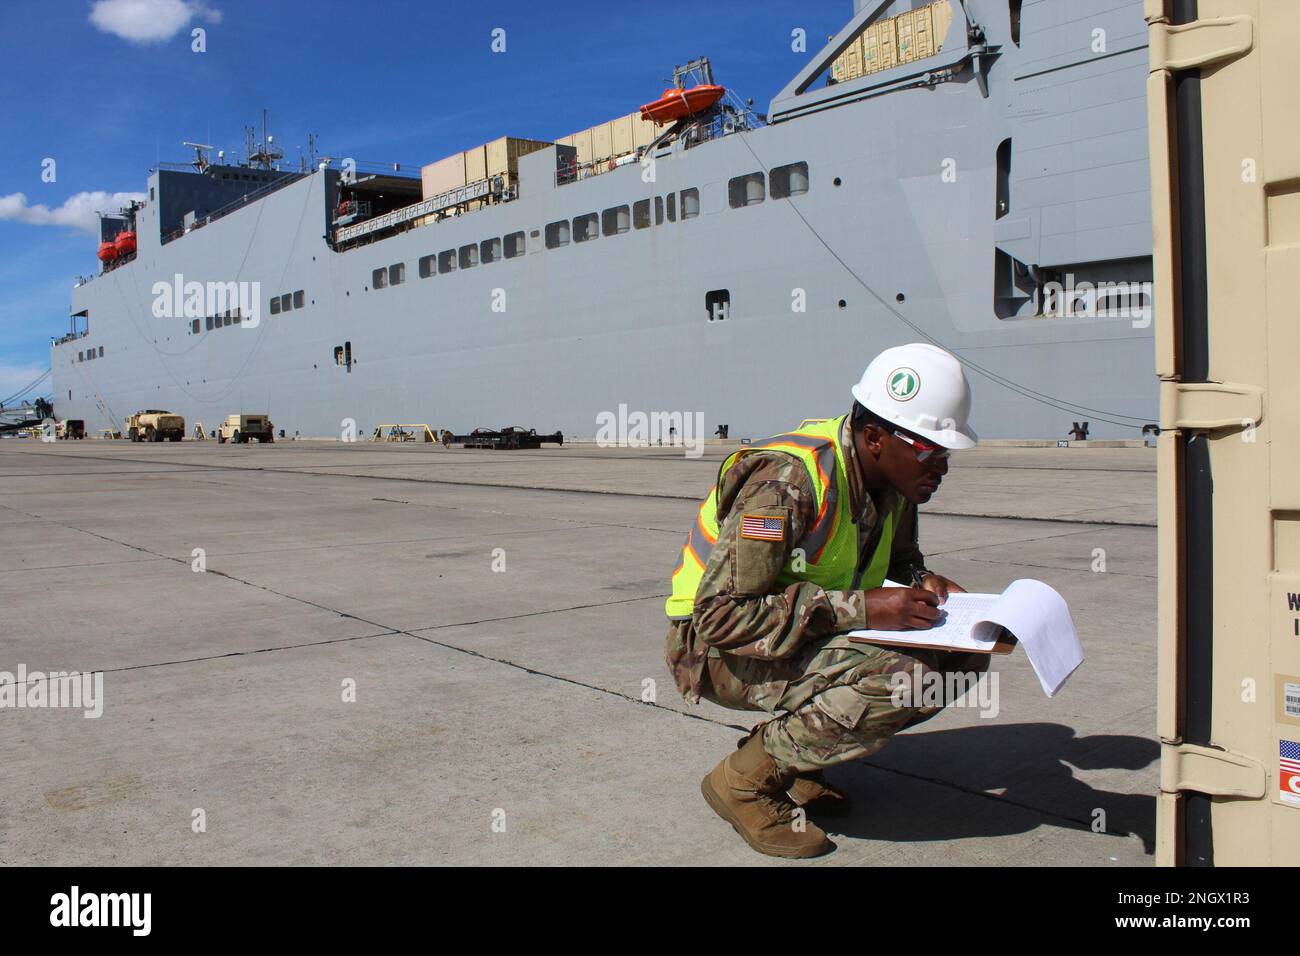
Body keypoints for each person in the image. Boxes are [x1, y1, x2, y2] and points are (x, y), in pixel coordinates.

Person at [663, 343, 989, 858]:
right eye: (931, 451)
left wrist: (922, 580)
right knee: (906, 673)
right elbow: (720, 616)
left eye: (947, 453)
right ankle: (743, 782)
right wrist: (864, 608)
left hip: (791, 634)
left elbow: (899, 562)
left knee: (962, 657)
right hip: (712, 652)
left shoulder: (894, 486)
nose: (942, 467)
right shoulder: (784, 485)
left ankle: (799, 762)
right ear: (877, 438)